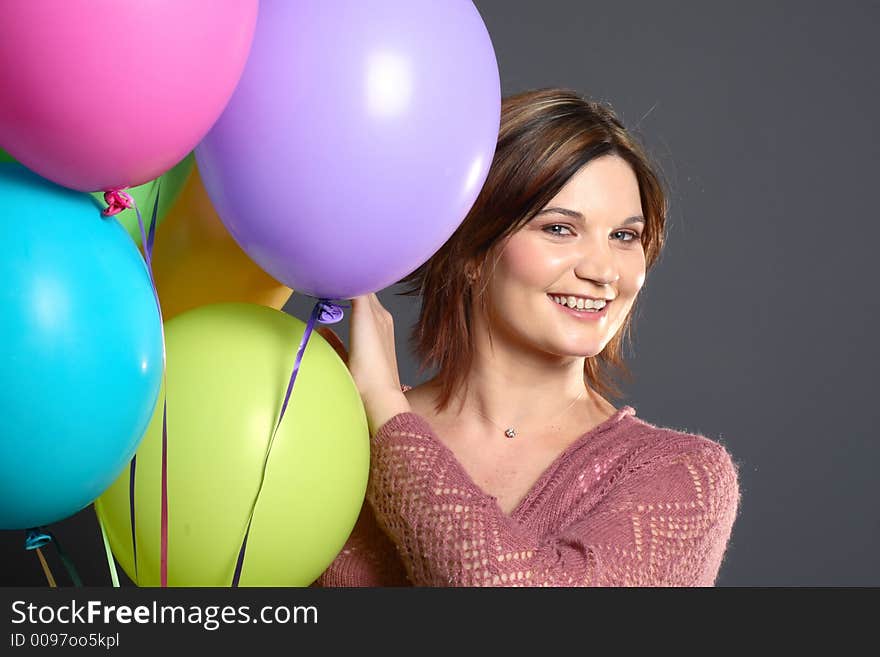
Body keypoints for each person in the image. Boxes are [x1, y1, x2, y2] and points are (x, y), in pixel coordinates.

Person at [312, 88, 741, 587]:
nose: (604, 271)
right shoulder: (333, 430)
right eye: (560, 229)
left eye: (624, 236)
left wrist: (387, 415)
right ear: (472, 252)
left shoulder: (684, 476)